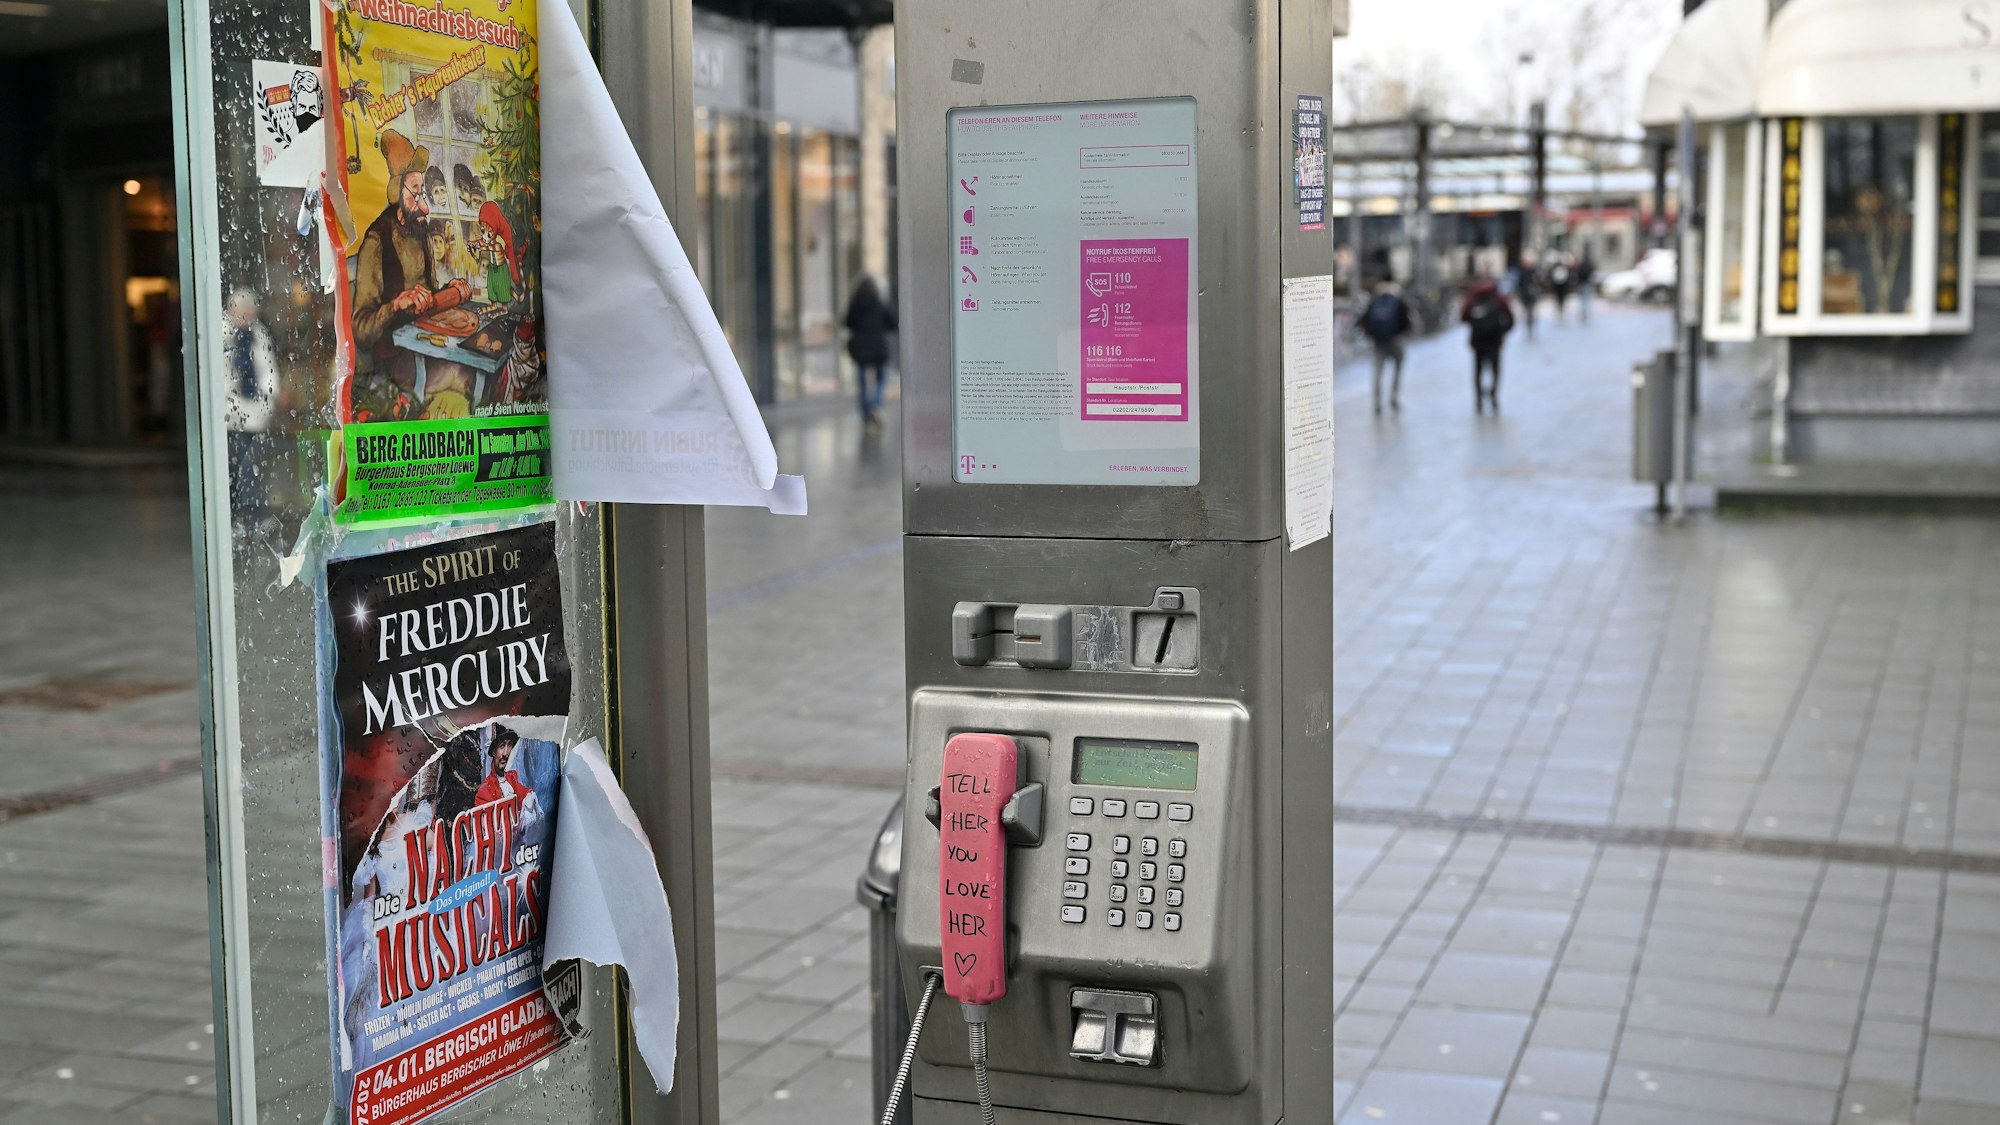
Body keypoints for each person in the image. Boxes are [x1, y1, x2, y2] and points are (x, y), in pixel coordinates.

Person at [351, 129, 472, 414]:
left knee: (468, 375)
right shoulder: (376, 241)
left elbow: (426, 300)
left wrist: (448, 292)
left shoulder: (420, 232)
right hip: (391, 367)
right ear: (398, 192)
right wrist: (396, 304)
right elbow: (361, 329)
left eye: (423, 193)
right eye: (416, 193)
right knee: (460, 380)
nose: (424, 205)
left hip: (424, 350)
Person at [221, 288, 280, 525]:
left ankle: (250, 516)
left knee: (249, 467)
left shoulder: (258, 334)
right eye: (244, 313)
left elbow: (268, 368)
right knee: (241, 468)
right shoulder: (223, 333)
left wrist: (270, 396)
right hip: (231, 415)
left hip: (254, 412)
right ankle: (248, 516)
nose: (248, 317)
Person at [843, 276, 897, 427]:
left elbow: (848, 323)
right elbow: (893, 322)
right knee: (880, 379)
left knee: (863, 382)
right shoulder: (880, 304)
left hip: (861, 349)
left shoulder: (855, 305)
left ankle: (866, 412)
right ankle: (876, 405)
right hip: (878, 348)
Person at [1357, 279, 1416, 414]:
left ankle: (1377, 402)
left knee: (1378, 373)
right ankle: (1393, 398)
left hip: (1378, 343)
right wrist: (1401, 335)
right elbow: (1408, 322)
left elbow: (1363, 320)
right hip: (1396, 342)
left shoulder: (1374, 301)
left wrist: (1371, 335)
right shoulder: (1398, 301)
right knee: (1397, 371)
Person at [1461, 278, 1515, 412]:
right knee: (1495, 370)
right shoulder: (1498, 298)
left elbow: (1463, 317)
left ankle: (1478, 399)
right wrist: (1502, 331)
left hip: (1478, 341)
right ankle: (1493, 394)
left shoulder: (1473, 299)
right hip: (1494, 341)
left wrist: (1476, 326)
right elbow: (1511, 319)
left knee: (1478, 371)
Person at [1548, 255, 1574, 322]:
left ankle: (1560, 312)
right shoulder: (1563, 268)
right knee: (1560, 300)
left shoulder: (1560, 268)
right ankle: (1560, 311)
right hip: (1561, 288)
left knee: (1560, 300)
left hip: (1560, 288)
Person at [1576, 251, 1596, 323]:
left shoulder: (1581, 266)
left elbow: (1578, 274)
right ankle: (1586, 312)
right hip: (1587, 284)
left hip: (1582, 284)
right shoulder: (1589, 265)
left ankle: (1584, 312)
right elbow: (1592, 275)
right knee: (1587, 300)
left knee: (1583, 300)